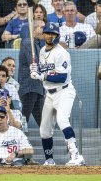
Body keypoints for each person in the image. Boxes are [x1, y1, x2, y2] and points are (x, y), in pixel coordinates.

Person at [30, 23, 85, 166]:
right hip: (49, 94)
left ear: (57, 35)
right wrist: (36, 70)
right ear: (43, 35)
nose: (50, 36)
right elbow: (46, 72)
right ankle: (49, 160)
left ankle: (76, 156)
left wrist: (41, 76)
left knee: (62, 120)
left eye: (53, 34)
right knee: (44, 130)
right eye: (47, 33)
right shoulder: (42, 51)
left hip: (64, 91)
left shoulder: (62, 52)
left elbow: (61, 77)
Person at [18, 20, 45, 127]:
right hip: (29, 87)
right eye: (42, 27)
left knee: (43, 122)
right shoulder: (28, 43)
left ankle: (48, 141)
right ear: (34, 29)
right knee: (23, 119)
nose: (45, 30)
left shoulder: (36, 44)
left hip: (37, 87)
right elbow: (34, 63)